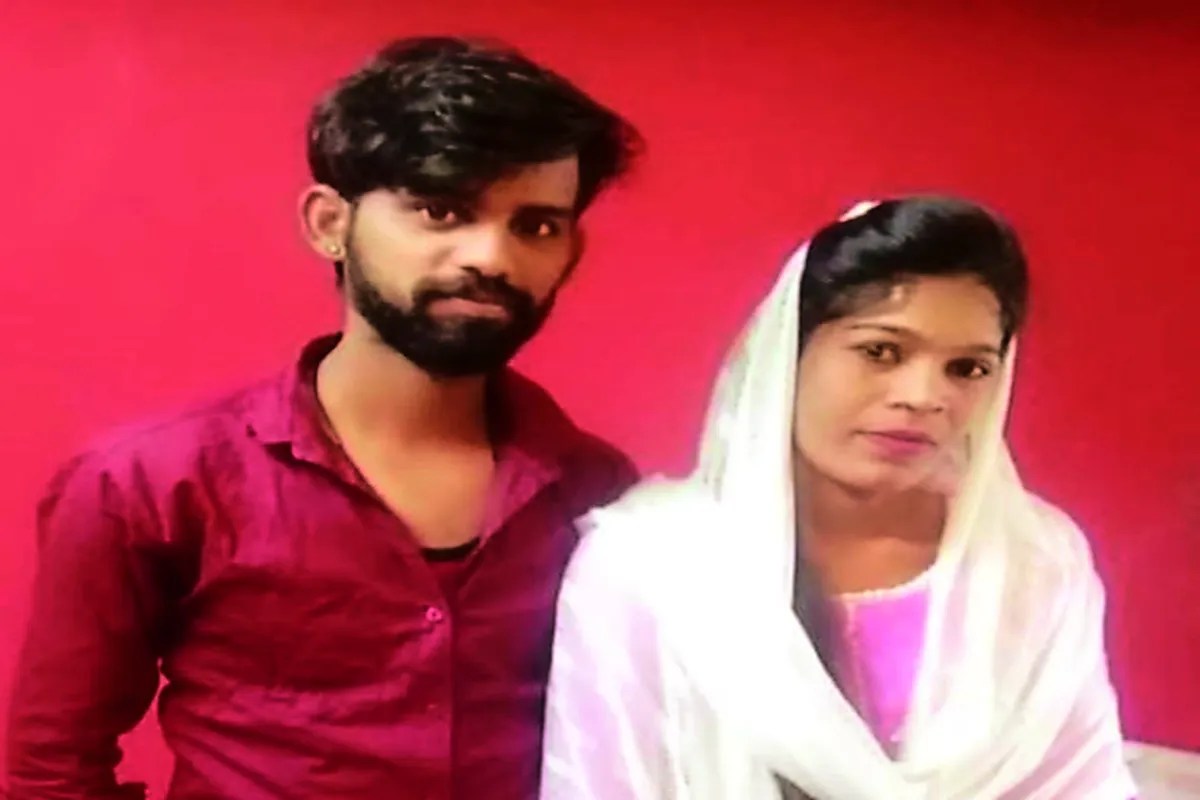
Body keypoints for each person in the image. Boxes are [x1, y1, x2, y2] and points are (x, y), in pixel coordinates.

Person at [6, 36, 641, 800]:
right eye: (441, 210)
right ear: (328, 222)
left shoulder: (599, 495)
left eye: (535, 225)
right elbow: (51, 769)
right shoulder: (151, 486)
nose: (491, 257)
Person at [541, 197, 1136, 799]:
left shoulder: (1032, 560)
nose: (924, 396)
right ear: (789, 352)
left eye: (967, 369)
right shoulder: (653, 567)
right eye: (881, 351)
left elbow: (1080, 783)